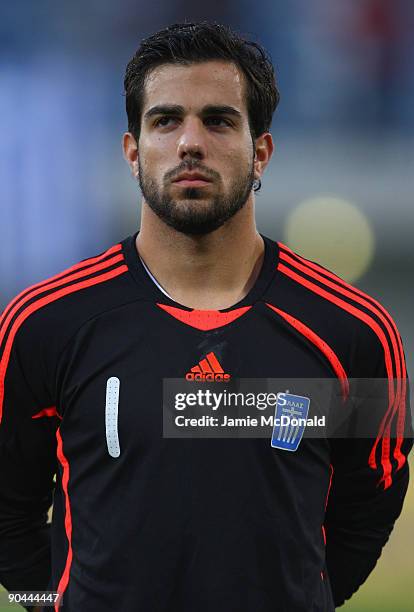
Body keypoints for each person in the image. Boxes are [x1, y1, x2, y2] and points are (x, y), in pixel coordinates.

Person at [0, 22, 412, 612]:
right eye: (166, 120)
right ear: (133, 150)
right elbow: (7, 513)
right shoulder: (45, 322)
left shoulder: (353, 331)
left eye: (219, 120)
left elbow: (368, 508)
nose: (190, 142)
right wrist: (55, 602)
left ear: (260, 151)